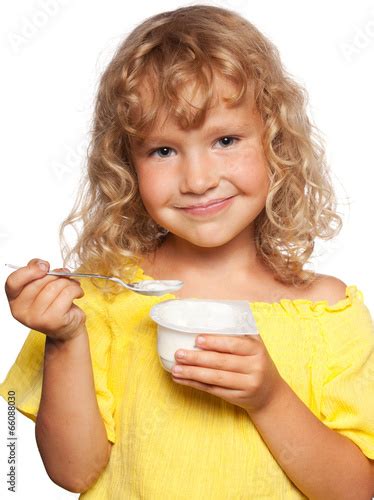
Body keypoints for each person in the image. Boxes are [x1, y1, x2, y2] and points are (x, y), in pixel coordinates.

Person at [1, 4, 373, 499]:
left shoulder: (325, 312)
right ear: (126, 166)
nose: (197, 180)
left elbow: (355, 490)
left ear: (276, 142)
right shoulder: (97, 302)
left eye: (225, 139)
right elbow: (73, 473)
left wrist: (268, 399)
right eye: (163, 150)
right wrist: (66, 338)